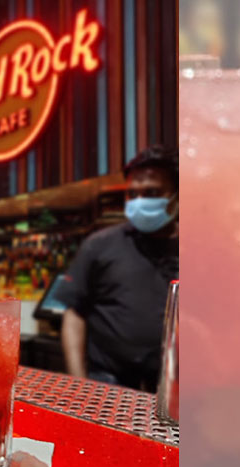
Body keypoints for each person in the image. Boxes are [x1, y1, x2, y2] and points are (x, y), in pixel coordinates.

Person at [56, 146, 179, 391]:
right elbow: (74, 314)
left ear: (176, 196)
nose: (139, 201)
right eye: (132, 194)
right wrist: (80, 385)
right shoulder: (99, 245)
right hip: (109, 381)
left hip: (176, 382)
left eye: (151, 192)